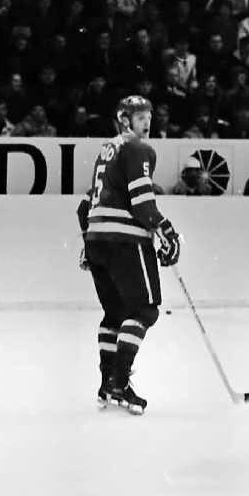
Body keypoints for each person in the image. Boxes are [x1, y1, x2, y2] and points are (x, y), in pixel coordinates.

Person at [75, 96, 181, 414]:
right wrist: (167, 231)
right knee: (145, 311)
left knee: (115, 313)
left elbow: (85, 206)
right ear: (124, 120)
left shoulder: (106, 150)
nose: (147, 122)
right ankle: (120, 384)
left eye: (148, 116)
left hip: (97, 240)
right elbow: (142, 202)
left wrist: (88, 239)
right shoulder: (139, 149)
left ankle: (107, 383)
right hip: (126, 240)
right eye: (139, 117)